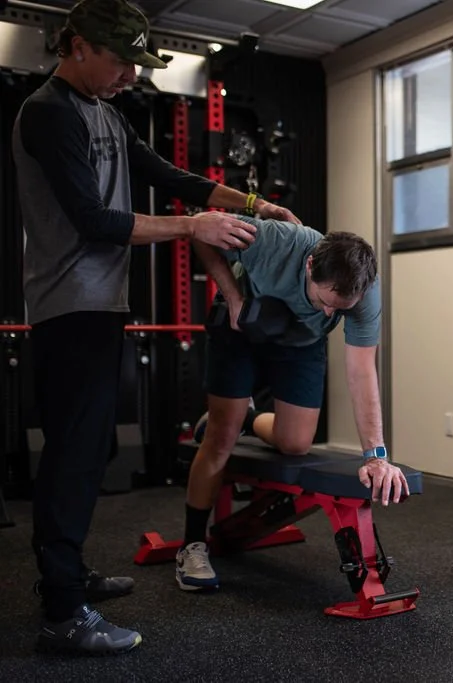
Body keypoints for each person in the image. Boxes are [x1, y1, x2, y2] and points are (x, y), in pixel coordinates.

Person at [11, 0, 301, 656]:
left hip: (102, 306)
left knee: (89, 453)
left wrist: (254, 204)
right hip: (68, 309)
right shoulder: (48, 113)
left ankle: (68, 575)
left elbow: (171, 178)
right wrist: (194, 229)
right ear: (77, 45)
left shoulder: (106, 114)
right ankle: (63, 611)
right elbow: (94, 219)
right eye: (119, 61)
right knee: (72, 457)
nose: (126, 77)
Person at [175, 214, 410, 592]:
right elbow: (202, 233)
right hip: (242, 326)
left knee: (296, 442)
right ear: (310, 264)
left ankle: (248, 419)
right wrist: (233, 296)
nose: (330, 314)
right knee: (220, 438)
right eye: (324, 300)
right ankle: (192, 545)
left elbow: (362, 371)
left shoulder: (363, 292)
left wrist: (376, 455)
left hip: (300, 340)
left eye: (340, 309)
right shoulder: (272, 240)